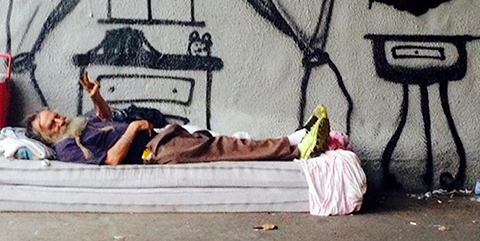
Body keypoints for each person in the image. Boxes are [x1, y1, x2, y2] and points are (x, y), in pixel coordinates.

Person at [25, 73, 330, 166]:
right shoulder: (67, 149)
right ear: (47, 137)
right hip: (153, 152)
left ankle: (293, 140)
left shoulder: (77, 127)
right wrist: (133, 127)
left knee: (218, 140)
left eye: (56, 115)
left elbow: (104, 118)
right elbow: (112, 159)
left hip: (160, 136)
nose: (59, 121)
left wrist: (96, 97)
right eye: (52, 124)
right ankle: (294, 146)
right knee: (225, 146)